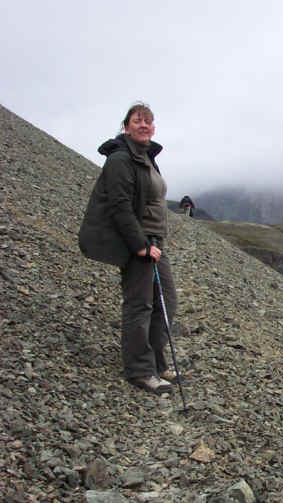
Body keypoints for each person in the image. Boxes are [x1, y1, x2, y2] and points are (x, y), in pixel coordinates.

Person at [78, 102, 178, 394]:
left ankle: (156, 362)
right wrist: (140, 246)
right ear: (126, 126)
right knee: (140, 304)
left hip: (154, 240)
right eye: (137, 120)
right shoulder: (121, 159)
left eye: (148, 121)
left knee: (167, 300)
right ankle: (140, 371)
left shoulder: (145, 157)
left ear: (153, 128)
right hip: (139, 242)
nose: (144, 125)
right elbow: (119, 205)